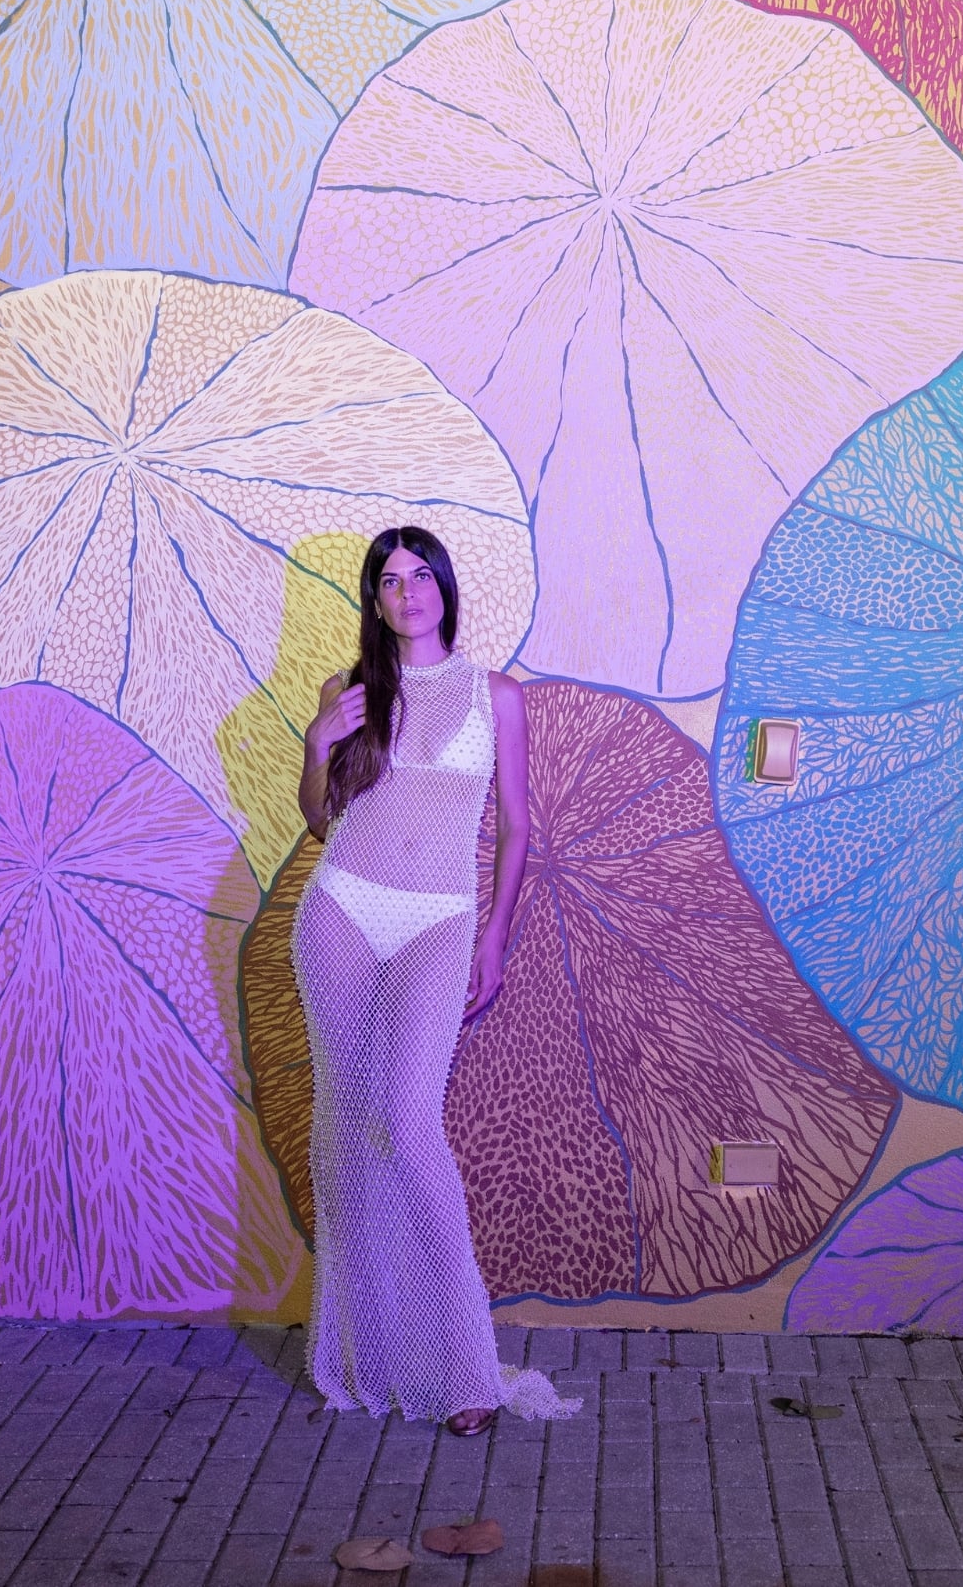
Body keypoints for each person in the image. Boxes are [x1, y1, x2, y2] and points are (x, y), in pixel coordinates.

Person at [292, 526, 580, 1432]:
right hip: (341, 911)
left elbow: (519, 829)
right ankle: (365, 1354)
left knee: (408, 1127)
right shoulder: (350, 692)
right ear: (374, 600)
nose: (407, 591)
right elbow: (320, 818)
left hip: (439, 920)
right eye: (389, 580)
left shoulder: (497, 696)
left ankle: (464, 1371)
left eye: (421, 575)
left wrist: (493, 936)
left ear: (444, 588)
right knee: (345, 1133)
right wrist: (313, 745)